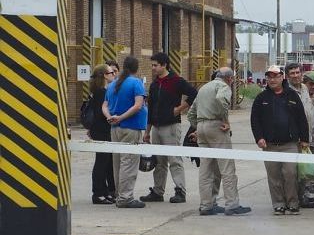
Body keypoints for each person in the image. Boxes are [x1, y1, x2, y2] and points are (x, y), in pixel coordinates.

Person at [188, 67, 250, 216]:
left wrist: (198, 128)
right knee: (227, 167)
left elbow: (191, 113)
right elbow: (221, 100)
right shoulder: (223, 86)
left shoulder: (203, 87)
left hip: (201, 126)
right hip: (216, 127)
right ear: (230, 79)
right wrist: (225, 120)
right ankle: (232, 204)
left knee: (206, 169)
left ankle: (206, 205)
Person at [251, 65, 310, 216]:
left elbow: (301, 118)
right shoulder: (261, 98)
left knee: (290, 174)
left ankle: (292, 203)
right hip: (270, 145)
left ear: (282, 77)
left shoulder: (292, 95)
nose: (272, 79)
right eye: (269, 77)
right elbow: (255, 120)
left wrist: (304, 139)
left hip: (290, 144)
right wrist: (259, 138)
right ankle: (278, 204)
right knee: (274, 176)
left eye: (275, 76)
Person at [141, 52, 197, 204]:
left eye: (155, 65)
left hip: (171, 126)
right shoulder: (154, 84)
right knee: (159, 161)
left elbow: (194, 94)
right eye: (152, 65)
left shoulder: (176, 81)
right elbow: (151, 109)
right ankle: (158, 191)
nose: (153, 68)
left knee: (174, 159)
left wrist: (179, 109)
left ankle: (180, 191)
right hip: (156, 127)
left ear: (164, 65)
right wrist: (147, 131)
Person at [103, 56, 148, 209]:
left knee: (117, 163)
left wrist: (111, 118)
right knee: (128, 162)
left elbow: (105, 106)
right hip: (131, 127)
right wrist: (121, 117)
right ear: (136, 68)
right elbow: (138, 106)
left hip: (115, 129)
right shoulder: (136, 83)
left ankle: (119, 194)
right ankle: (126, 197)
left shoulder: (112, 85)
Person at [286, 63, 314, 209]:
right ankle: (295, 198)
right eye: (292, 73)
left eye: (297, 72)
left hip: (309, 134)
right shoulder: (286, 91)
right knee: (294, 170)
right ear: (287, 75)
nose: (295, 75)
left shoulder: (304, 89)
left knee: (304, 169)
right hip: (296, 137)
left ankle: (303, 195)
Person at [87, 64, 116, 204]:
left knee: (106, 162)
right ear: (105, 75)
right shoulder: (101, 92)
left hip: (100, 129)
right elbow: (100, 113)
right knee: (101, 162)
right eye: (111, 73)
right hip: (101, 130)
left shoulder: (101, 90)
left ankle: (104, 191)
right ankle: (97, 193)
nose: (113, 75)